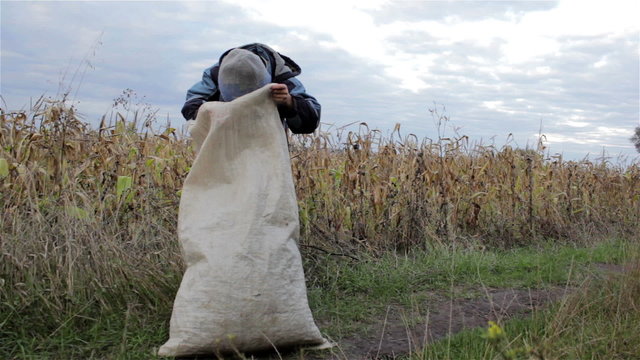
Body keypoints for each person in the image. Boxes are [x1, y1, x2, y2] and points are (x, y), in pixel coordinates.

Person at [181, 43, 321, 134]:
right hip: (224, 147)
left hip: (269, 151)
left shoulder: (283, 79)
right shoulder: (215, 74)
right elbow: (191, 104)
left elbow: (310, 123)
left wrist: (290, 102)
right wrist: (210, 112)